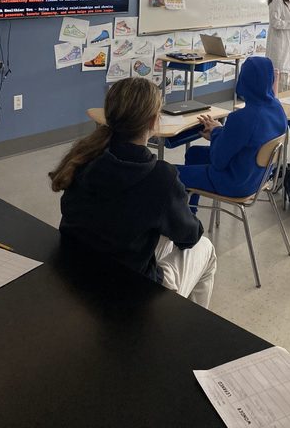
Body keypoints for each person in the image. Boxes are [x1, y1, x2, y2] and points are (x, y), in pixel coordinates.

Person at [49, 77, 217, 307]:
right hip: (129, 295)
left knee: (158, 236)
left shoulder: (83, 157)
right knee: (205, 248)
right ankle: (190, 327)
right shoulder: (161, 177)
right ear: (153, 121)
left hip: (76, 275)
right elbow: (189, 237)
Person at [177, 56, 288, 201]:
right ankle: (189, 213)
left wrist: (216, 132)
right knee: (194, 153)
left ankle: (183, 220)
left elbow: (218, 161)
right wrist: (221, 132)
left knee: (168, 174)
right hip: (258, 177)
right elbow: (249, 138)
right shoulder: (277, 108)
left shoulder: (242, 118)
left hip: (235, 183)